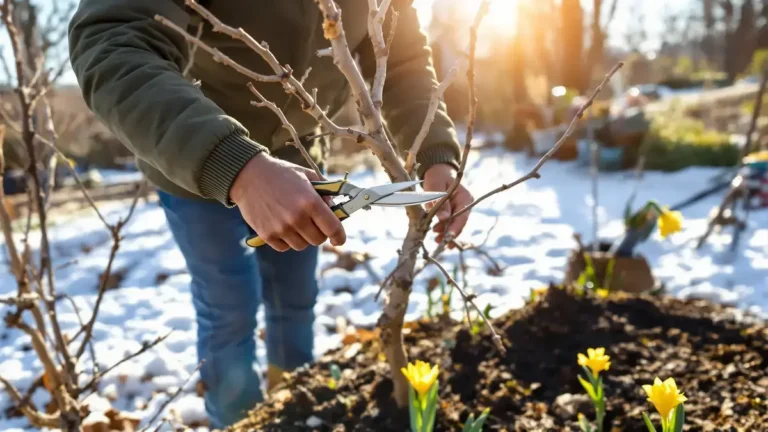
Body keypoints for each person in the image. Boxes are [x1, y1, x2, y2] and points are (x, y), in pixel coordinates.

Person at [68, 0, 474, 428]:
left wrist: (435, 153)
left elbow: (402, 57)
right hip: (196, 160)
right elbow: (112, 43)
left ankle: (293, 415)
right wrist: (235, 165)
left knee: (295, 305)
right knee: (229, 315)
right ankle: (239, 422)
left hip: (301, 160)